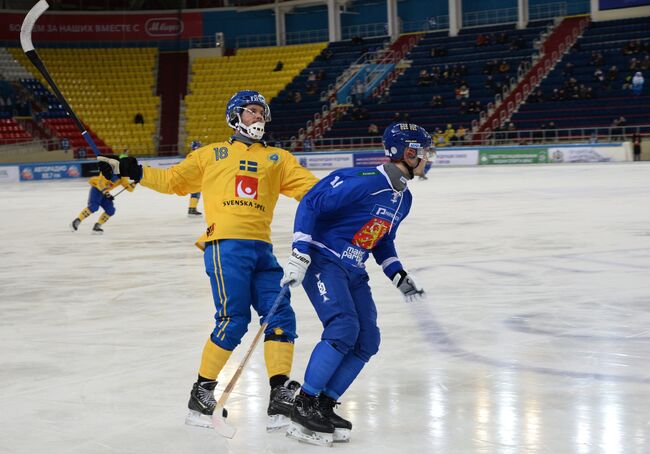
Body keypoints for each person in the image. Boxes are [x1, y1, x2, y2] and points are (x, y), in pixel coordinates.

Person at [97, 90, 319, 431]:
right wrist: (131, 169)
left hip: (262, 248)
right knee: (233, 320)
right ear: (234, 116)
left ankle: (279, 395)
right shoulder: (211, 154)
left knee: (280, 316)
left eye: (262, 112)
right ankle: (201, 393)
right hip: (225, 245)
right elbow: (173, 181)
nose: (259, 117)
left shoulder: (279, 158)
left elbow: (314, 192)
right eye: (251, 112)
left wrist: (348, 194)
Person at [280, 122, 433, 446]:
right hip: (324, 261)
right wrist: (299, 253)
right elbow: (310, 203)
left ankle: (323, 404)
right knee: (343, 328)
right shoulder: (361, 181)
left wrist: (399, 275)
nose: (428, 158)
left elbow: (381, 241)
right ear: (408, 153)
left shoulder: (403, 200)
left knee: (368, 340)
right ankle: (304, 404)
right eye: (424, 152)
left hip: (353, 268)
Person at [71, 152, 136, 234]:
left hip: (105, 193)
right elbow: (101, 184)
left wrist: (135, 182)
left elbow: (129, 189)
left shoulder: (122, 177)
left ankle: (97, 226)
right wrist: (107, 194)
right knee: (94, 207)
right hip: (97, 189)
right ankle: (77, 221)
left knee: (110, 210)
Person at [187, 140, 203, 217]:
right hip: (195, 176)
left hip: (193, 176)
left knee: (195, 193)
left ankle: (192, 208)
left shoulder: (191, 154)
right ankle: (192, 209)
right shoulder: (196, 155)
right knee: (195, 193)